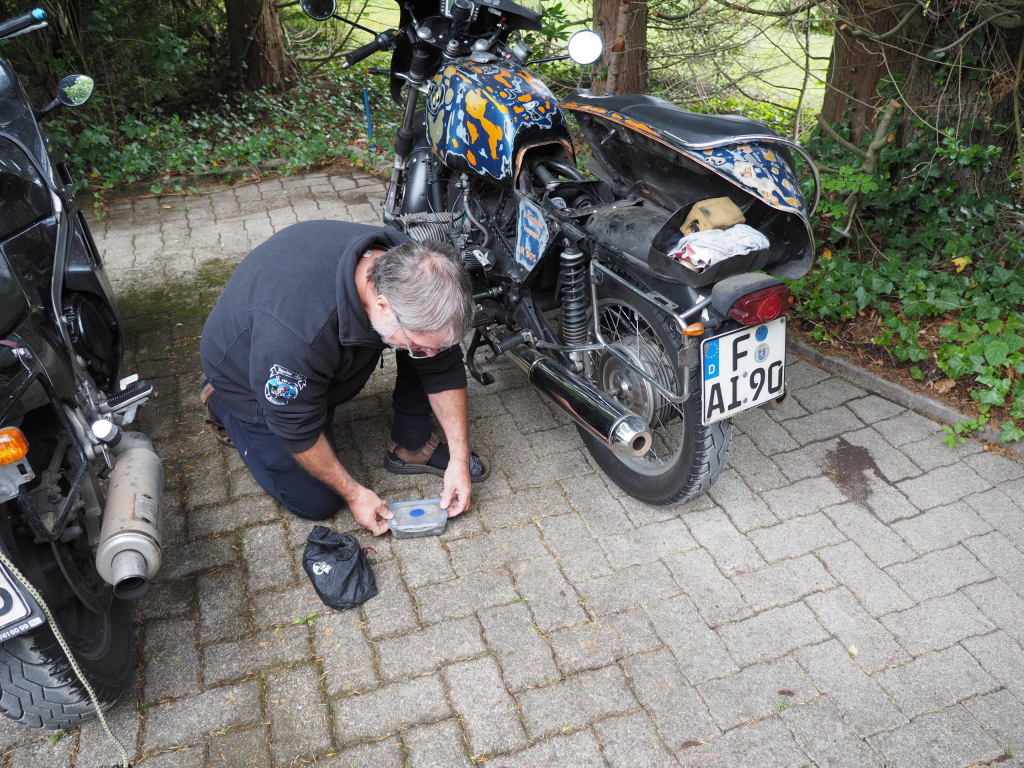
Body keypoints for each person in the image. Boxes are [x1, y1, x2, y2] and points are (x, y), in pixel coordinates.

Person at [199, 220, 489, 536]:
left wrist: (458, 459)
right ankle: (220, 402)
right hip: (243, 370)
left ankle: (411, 440)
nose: (430, 355)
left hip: (302, 346)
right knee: (317, 502)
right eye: (421, 346)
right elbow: (296, 428)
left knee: (426, 347)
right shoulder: (298, 334)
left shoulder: (412, 266)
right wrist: (354, 494)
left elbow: (442, 367)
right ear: (383, 306)